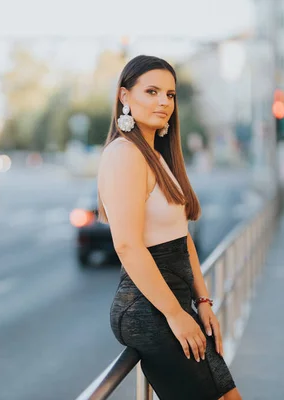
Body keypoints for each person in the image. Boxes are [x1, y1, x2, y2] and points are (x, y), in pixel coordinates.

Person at [97, 55, 240, 400]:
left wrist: (202, 300)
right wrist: (175, 314)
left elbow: (182, 238)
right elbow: (128, 246)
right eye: (152, 91)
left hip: (174, 300)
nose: (164, 101)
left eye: (170, 94)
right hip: (149, 307)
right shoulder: (124, 153)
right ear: (124, 97)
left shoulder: (156, 155)